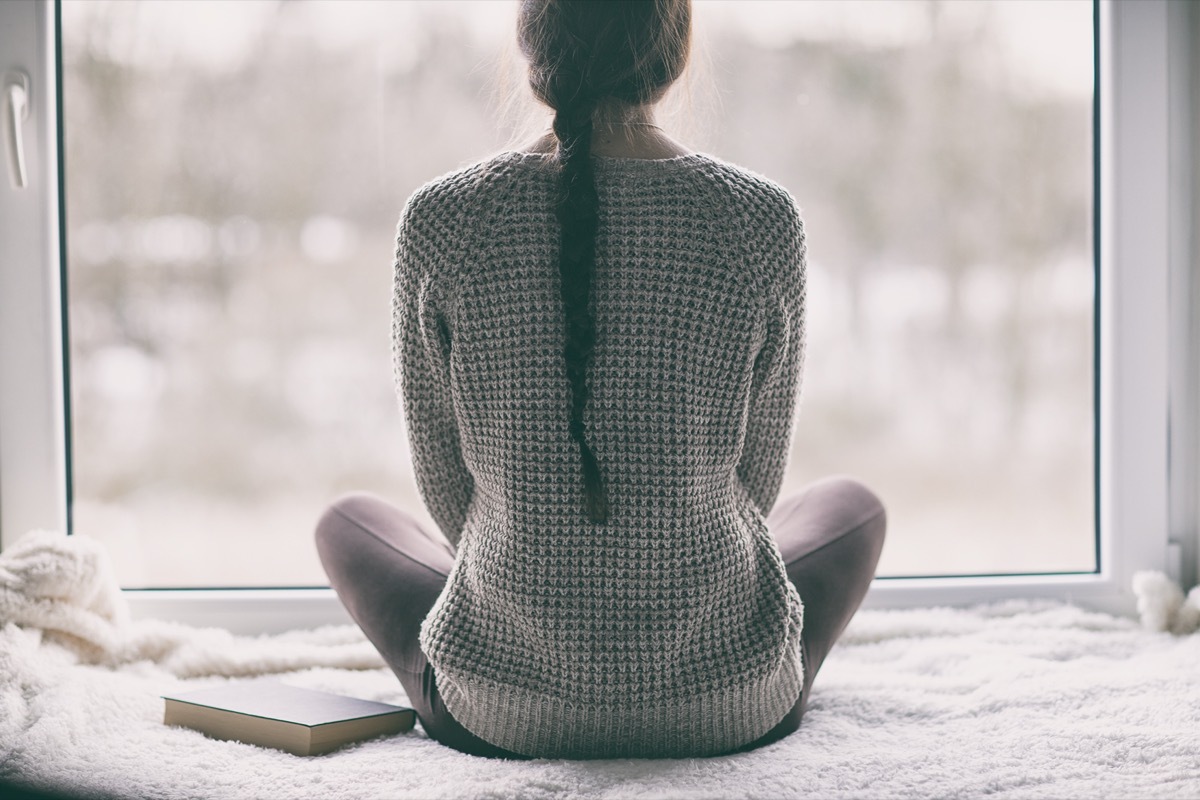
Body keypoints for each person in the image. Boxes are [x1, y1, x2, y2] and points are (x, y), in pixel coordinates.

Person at [315, 0, 886, 760]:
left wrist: (545, 567)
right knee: (852, 506)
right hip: (729, 703)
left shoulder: (442, 219)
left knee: (347, 523)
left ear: (532, 47)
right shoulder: (761, 220)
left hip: (497, 710)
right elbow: (757, 481)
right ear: (673, 51)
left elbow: (446, 487)